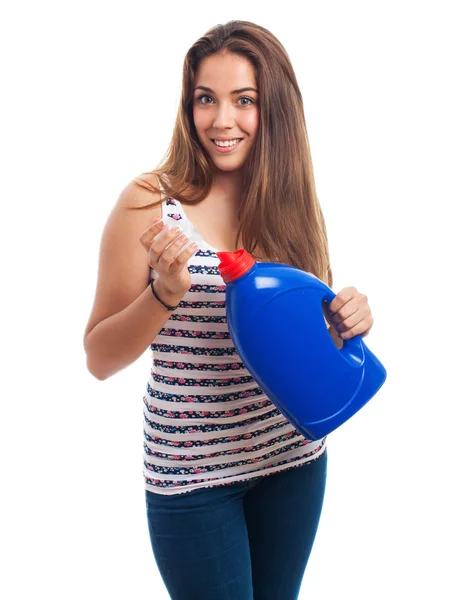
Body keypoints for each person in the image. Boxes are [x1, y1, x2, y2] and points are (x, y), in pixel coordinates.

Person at [83, 20, 374, 600]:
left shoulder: (289, 202)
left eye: (245, 100)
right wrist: (163, 293)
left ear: (276, 110)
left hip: (293, 458)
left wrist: (346, 320)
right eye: (205, 99)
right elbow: (98, 357)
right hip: (192, 477)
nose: (222, 120)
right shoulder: (149, 204)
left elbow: (302, 337)